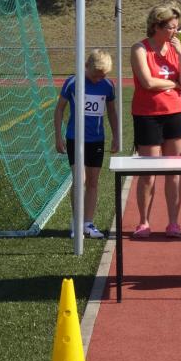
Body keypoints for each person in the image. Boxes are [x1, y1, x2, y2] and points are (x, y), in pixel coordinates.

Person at [130, 3, 181, 238]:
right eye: (170, 27)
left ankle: (173, 222)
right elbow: (147, 82)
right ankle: (144, 222)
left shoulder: (176, 49)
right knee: (149, 172)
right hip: (147, 115)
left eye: (176, 27)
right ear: (156, 26)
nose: (175, 32)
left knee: (173, 170)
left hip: (175, 113)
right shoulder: (140, 49)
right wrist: (174, 84)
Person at [54, 49, 119, 239]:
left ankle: (88, 223)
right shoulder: (73, 82)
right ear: (86, 66)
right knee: (79, 179)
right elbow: (59, 109)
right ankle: (76, 222)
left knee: (92, 181)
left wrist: (116, 136)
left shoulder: (108, 85)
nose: (99, 79)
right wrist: (58, 136)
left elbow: (112, 112)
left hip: (96, 139)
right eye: (96, 75)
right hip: (75, 138)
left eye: (103, 75)